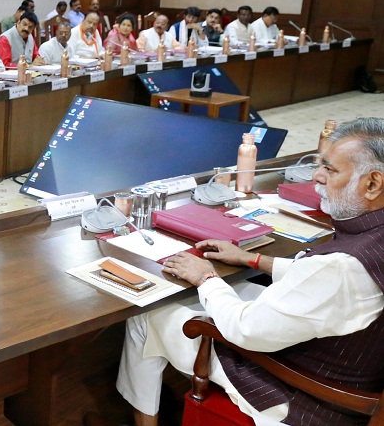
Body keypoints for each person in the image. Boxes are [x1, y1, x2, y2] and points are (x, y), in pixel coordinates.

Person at [114, 117, 384, 426]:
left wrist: (206, 278)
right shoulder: (365, 245)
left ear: (372, 183)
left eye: (330, 169)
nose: (316, 176)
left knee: (149, 314)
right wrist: (254, 260)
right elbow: (321, 281)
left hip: (299, 392)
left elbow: (246, 330)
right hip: (348, 364)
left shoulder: (340, 268)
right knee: (229, 293)